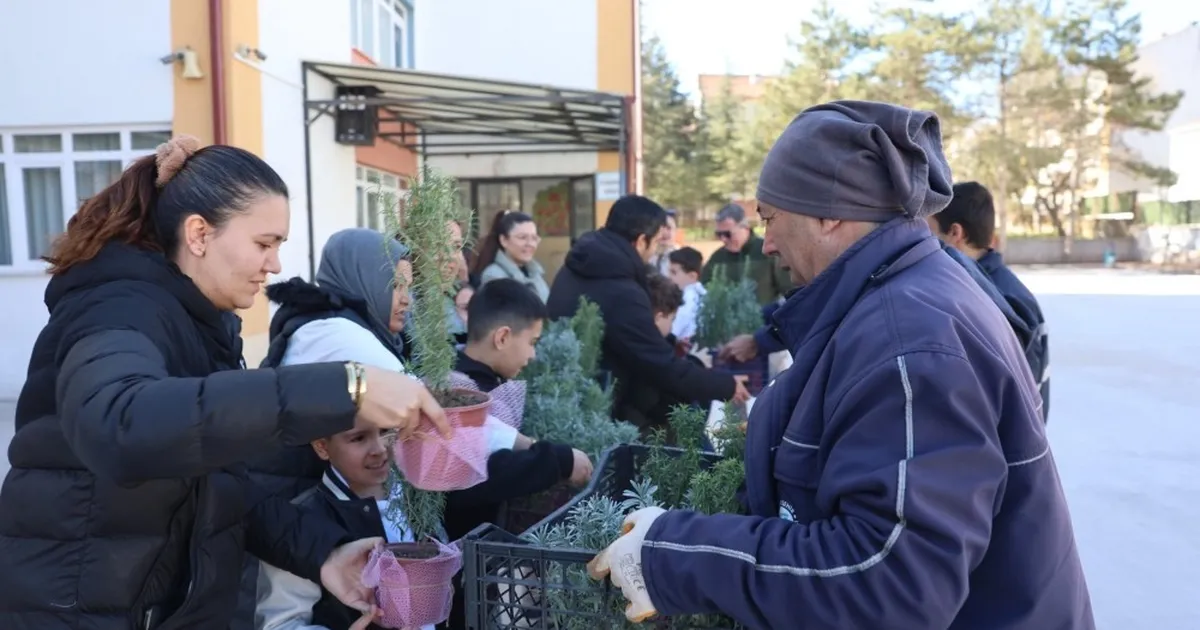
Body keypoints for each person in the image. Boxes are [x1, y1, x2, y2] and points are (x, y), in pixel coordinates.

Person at [589, 102, 1093, 629]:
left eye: (771, 218)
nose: (769, 244)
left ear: (829, 214)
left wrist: (674, 556)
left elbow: (887, 583)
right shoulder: (906, 294)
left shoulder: (909, 342)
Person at [0, 137, 451, 630]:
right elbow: (119, 423)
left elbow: (215, 484)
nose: (275, 265)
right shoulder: (117, 309)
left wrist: (322, 554)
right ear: (198, 234)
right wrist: (349, 389)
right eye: (264, 243)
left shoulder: (201, 323)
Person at [443, 278, 593, 629]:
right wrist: (557, 461)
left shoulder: (491, 383)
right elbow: (472, 477)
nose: (534, 354)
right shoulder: (457, 392)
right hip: (458, 564)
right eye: (532, 342)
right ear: (503, 337)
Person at [546, 195, 749, 432]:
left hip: (567, 396)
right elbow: (659, 365)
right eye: (654, 244)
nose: (653, 254)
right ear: (641, 240)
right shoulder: (620, 289)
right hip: (601, 414)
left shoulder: (577, 266)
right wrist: (724, 386)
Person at [929, 181, 1050, 421]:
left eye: (929, 230)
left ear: (955, 233)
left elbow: (1017, 400)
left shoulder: (1001, 299)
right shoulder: (992, 285)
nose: (925, 239)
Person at [700, 203, 792, 306]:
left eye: (727, 234)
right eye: (719, 234)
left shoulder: (768, 252)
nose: (723, 239)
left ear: (745, 228)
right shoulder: (717, 258)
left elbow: (790, 292)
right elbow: (703, 290)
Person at [472, 211, 550, 301]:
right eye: (522, 237)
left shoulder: (536, 274)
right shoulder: (494, 276)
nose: (530, 244)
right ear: (504, 240)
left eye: (534, 238)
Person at [666, 247, 706, 343]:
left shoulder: (688, 298)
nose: (669, 277)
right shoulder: (703, 293)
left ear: (692, 276)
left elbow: (674, 330)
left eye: (674, 272)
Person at [648, 208, 679, 276]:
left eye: (669, 228)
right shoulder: (645, 256)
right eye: (661, 228)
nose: (664, 233)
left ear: (675, 231)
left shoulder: (681, 258)